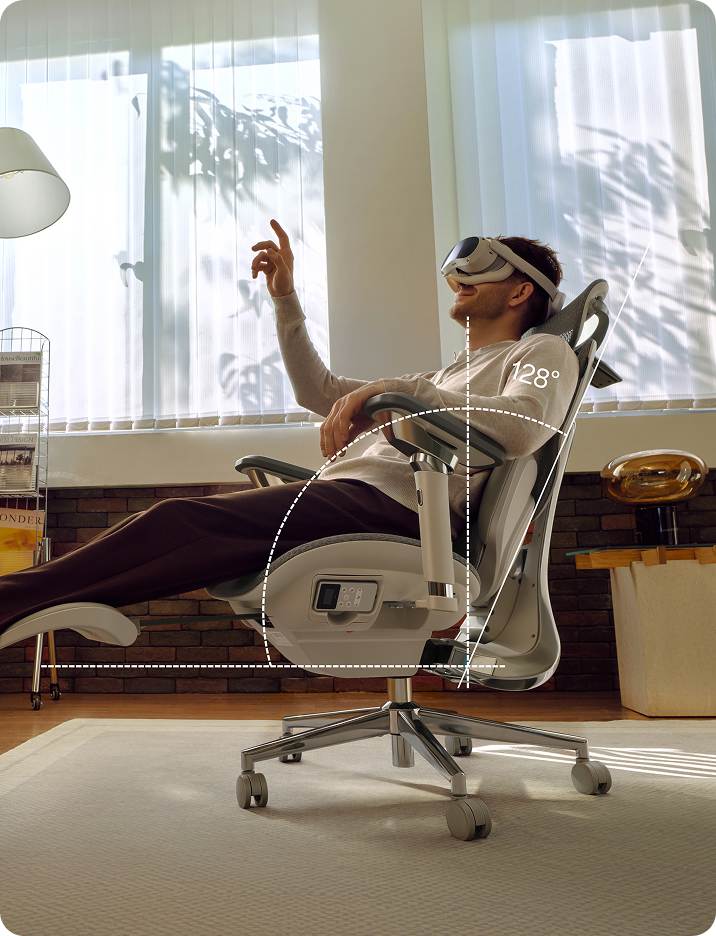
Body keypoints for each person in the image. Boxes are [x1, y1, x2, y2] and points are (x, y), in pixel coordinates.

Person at [0, 220, 578, 635]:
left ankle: (14, 600)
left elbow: (523, 428)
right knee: (179, 526)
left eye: (480, 270)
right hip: (357, 497)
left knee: (180, 522)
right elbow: (319, 393)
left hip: (399, 508)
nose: (457, 279)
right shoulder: (454, 371)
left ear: (521, 289)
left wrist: (392, 392)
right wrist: (285, 300)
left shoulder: (545, 351)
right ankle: (33, 598)